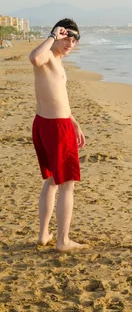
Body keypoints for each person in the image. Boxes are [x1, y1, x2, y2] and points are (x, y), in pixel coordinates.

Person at [29, 18, 86, 252]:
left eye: (74, 39)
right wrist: (53, 35)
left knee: (52, 180)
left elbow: (60, 97)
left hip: (47, 124)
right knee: (67, 185)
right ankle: (63, 240)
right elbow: (35, 58)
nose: (70, 43)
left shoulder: (59, 61)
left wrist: (74, 121)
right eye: (66, 37)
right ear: (56, 35)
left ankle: (44, 235)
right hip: (54, 127)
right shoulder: (48, 56)